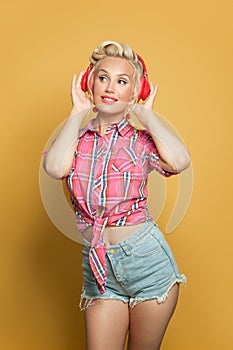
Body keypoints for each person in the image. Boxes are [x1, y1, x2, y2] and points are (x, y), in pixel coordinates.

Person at [43, 40, 191, 350]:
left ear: (134, 91)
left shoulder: (141, 142)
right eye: (102, 77)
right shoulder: (74, 140)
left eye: (122, 81)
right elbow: (55, 168)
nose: (110, 87)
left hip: (147, 265)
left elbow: (179, 161)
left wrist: (146, 113)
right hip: (100, 271)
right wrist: (76, 114)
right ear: (89, 82)